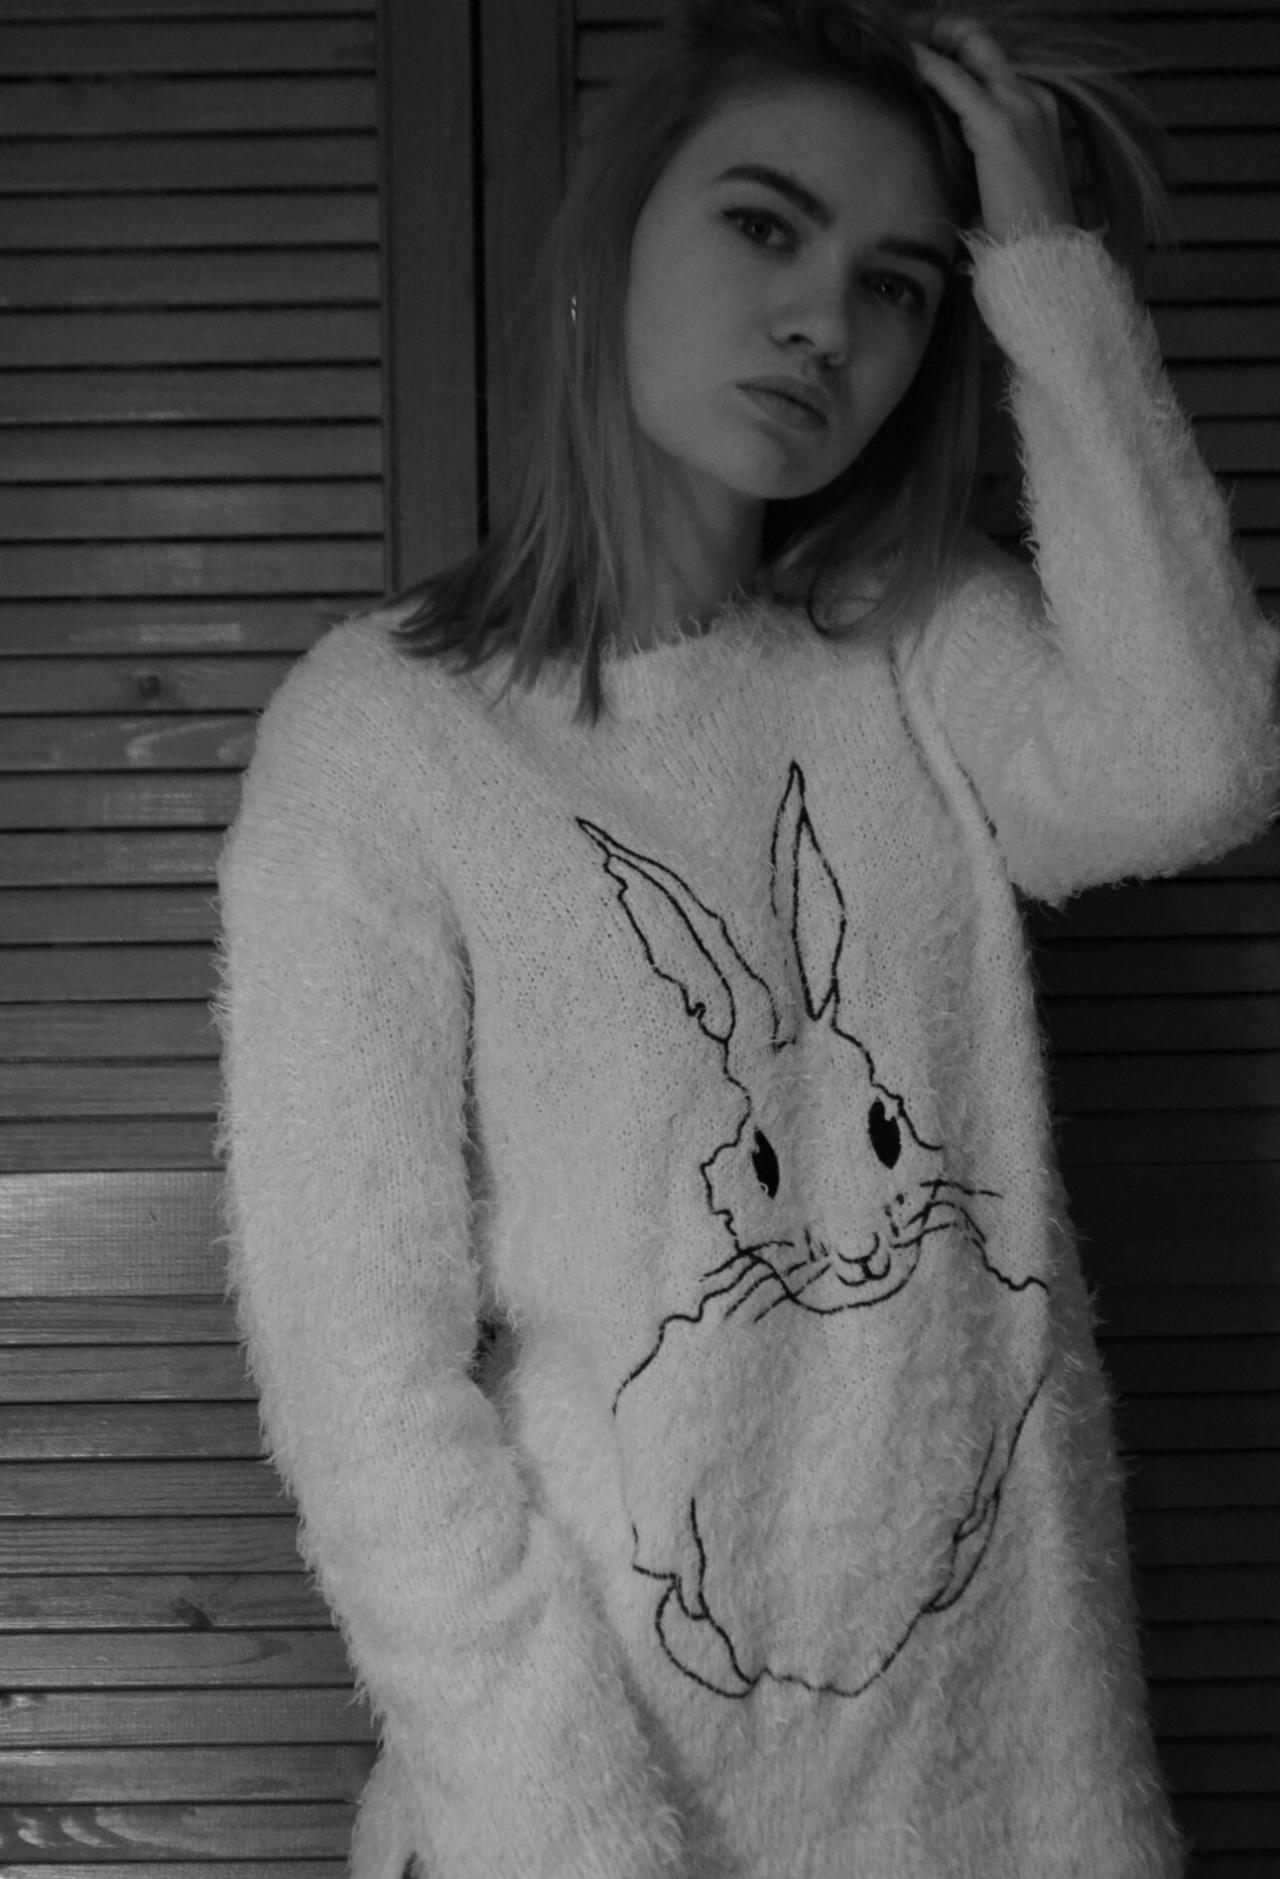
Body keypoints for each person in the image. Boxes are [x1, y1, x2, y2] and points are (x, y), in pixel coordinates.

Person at [215, 1, 1278, 1874]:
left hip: (998, 1801)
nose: (822, 324)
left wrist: (1045, 266)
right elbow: (360, 1381)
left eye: (899, 286)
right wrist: (570, 1832)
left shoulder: (914, 642)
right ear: (614, 236)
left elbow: (1195, 763)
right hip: (598, 1808)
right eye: (765, 226)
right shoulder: (384, 736)